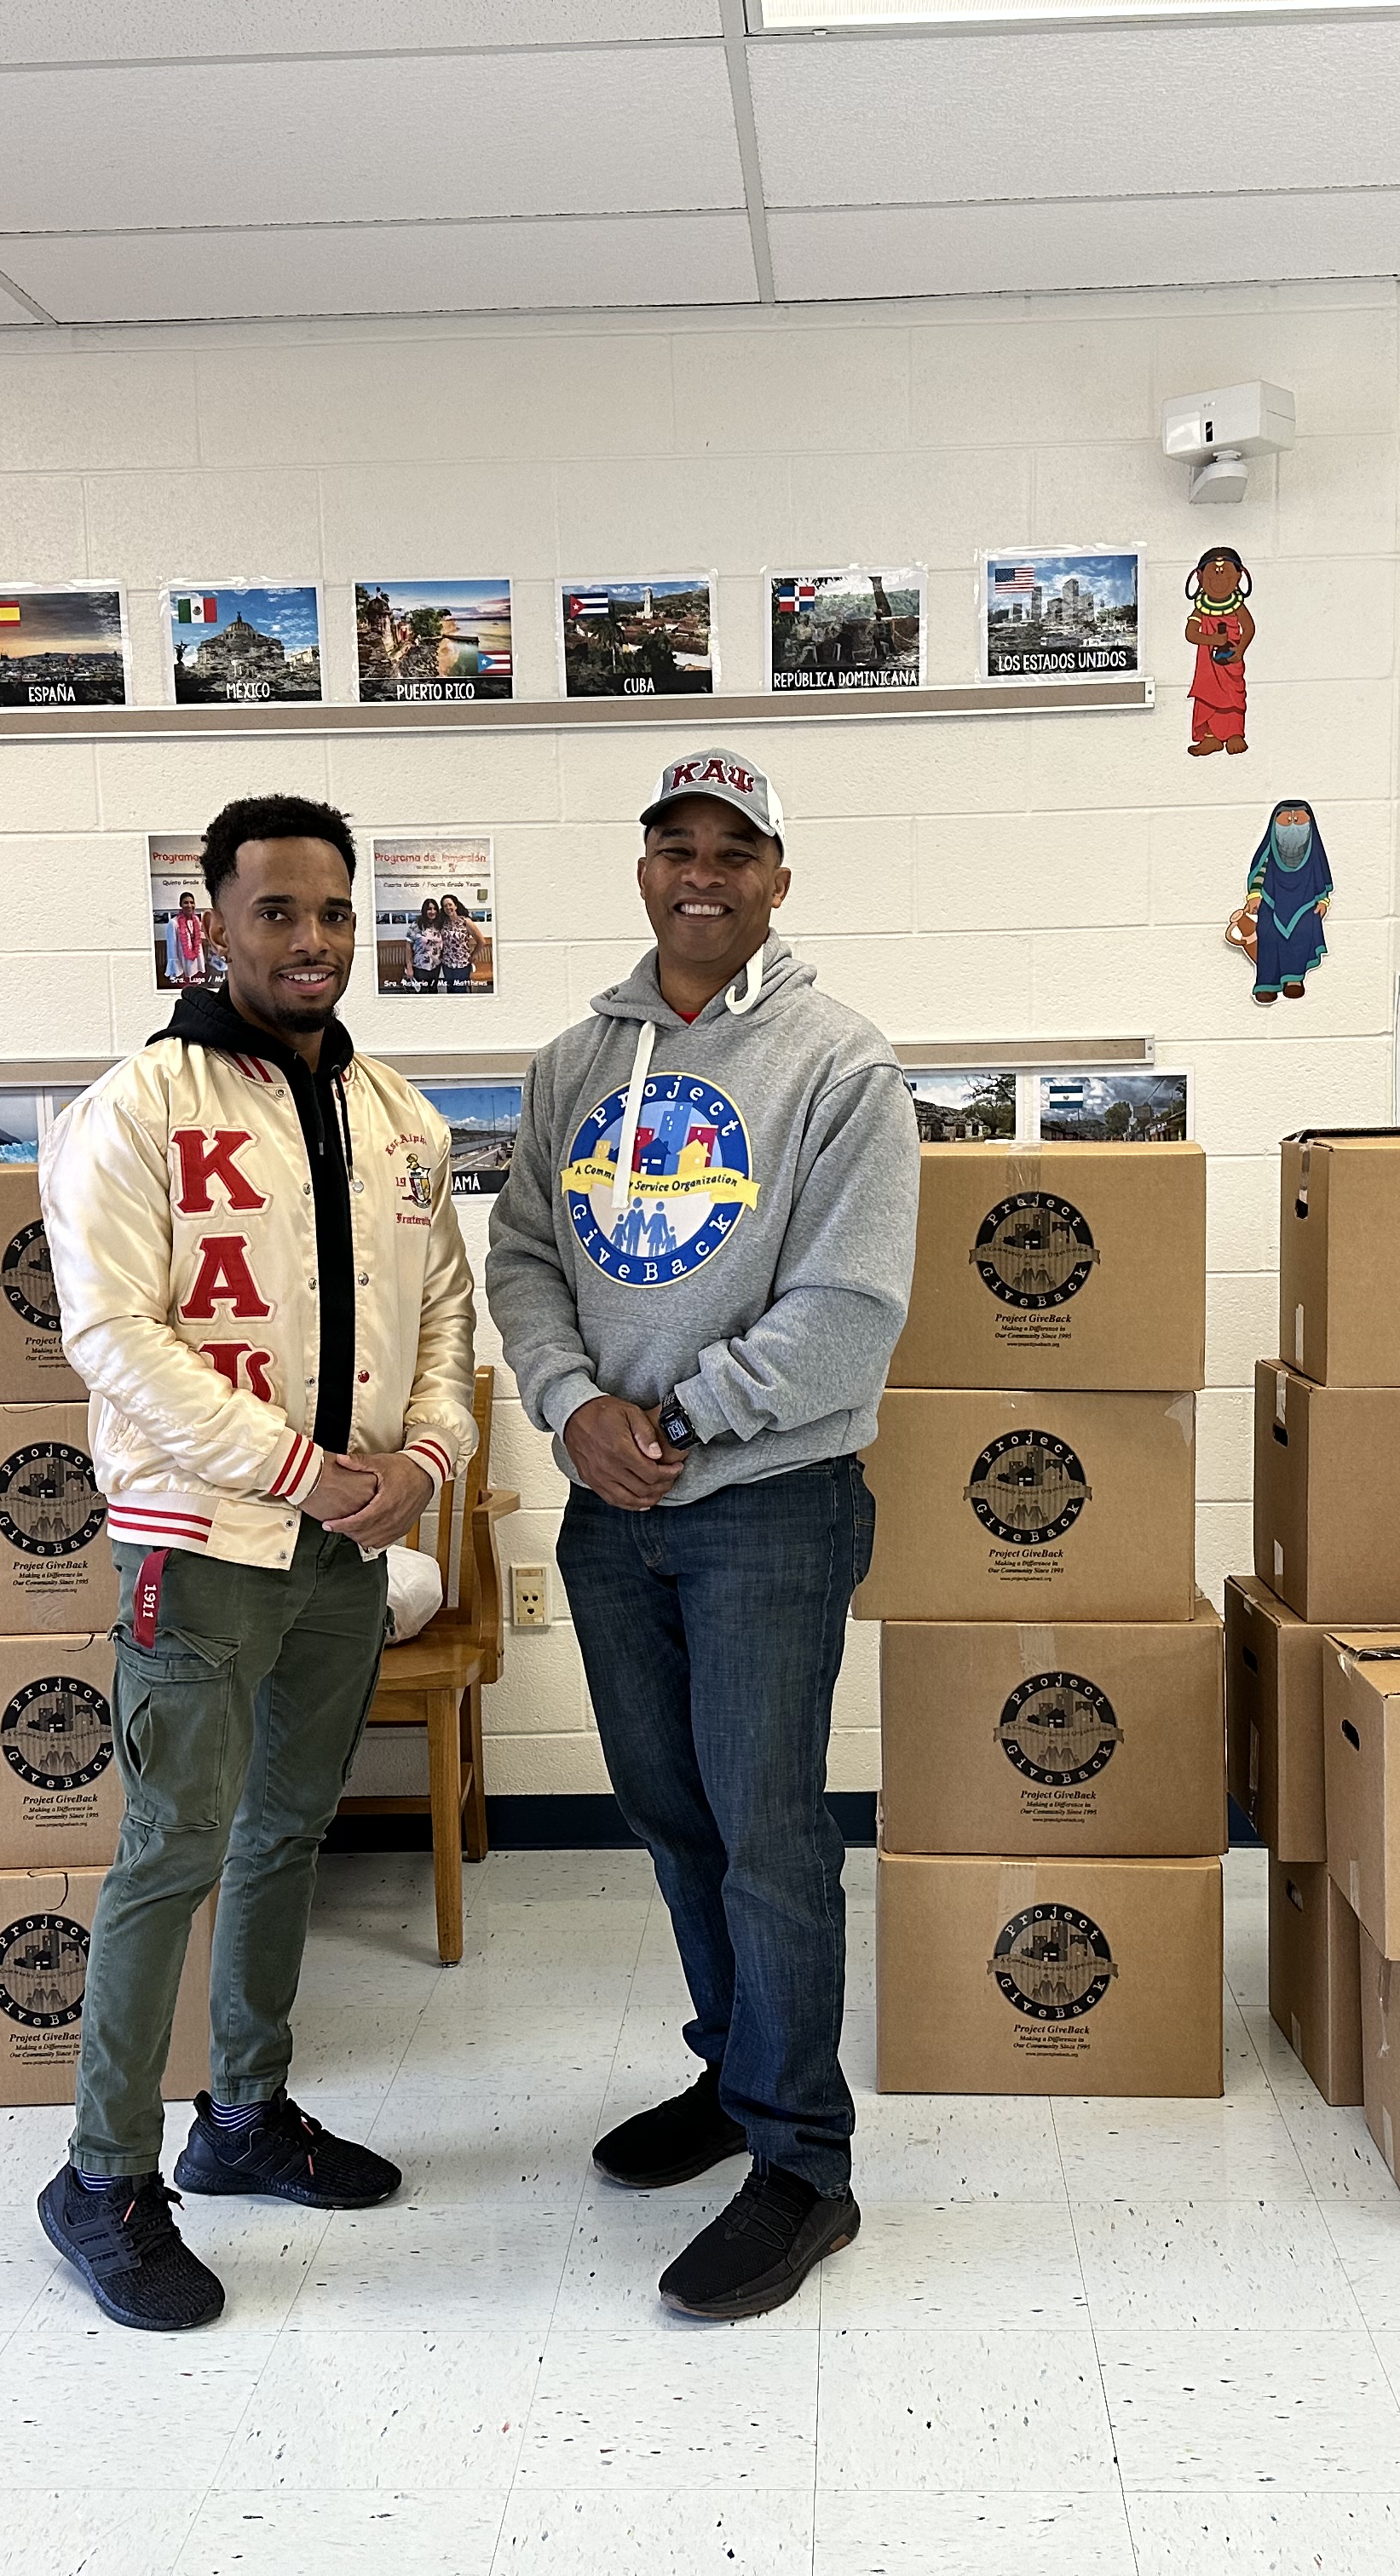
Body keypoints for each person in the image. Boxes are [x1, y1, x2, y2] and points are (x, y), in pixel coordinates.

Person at [32, 790, 481, 2332]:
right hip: (204, 1539)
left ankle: (243, 2115)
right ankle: (102, 2177)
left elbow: (443, 1322)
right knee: (170, 1846)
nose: (311, 939)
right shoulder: (132, 1110)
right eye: (278, 911)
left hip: (342, 1548)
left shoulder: (403, 1118)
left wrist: (420, 1463)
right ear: (209, 924)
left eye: (335, 912)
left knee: (285, 1829)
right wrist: (301, 1470)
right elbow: (113, 1338)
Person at [486, 746, 917, 2321]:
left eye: (736, 849)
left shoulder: (838, 1066)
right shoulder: (576, 1061)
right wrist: (568, 1400)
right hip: (613, 1508)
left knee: (768, 1834)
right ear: (644, 867)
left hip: (766, 1511)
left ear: (778, 879)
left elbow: (851, 1312)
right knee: (672, 1821)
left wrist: (679, 1419)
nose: (701, 872)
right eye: (674, 844)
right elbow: (524, 1244)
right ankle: (736, 2080)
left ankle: (804, 2161)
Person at [1233, 799, 1332, 1005]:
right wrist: (1255, 894)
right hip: (1272, 900)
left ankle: (1293, 980)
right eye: (1288, 820)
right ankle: (1266, 985)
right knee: (1269, 939)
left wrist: (1323, 900)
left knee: (1300, 938)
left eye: (1298, 820)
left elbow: (1320, 876)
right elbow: (1259, 870)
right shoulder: (1270, 850)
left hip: (1305, 904)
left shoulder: (1313, 853)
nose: (1294, 824)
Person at [1180, 543, 1253, 756]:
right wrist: (1211, 638)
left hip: (1231, 659)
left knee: (1233, 695)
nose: (1219, 577)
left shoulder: (1237, 605)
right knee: (1207, 696)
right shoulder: (1201, 607)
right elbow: (1190, 633)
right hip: (1208, 663)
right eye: (1214, 572)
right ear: (1200, 577)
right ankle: (1210, 737)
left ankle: (1233, 734)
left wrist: (1240, 650)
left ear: (1239, 576)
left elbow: (1249, 627)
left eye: (1226, 572)